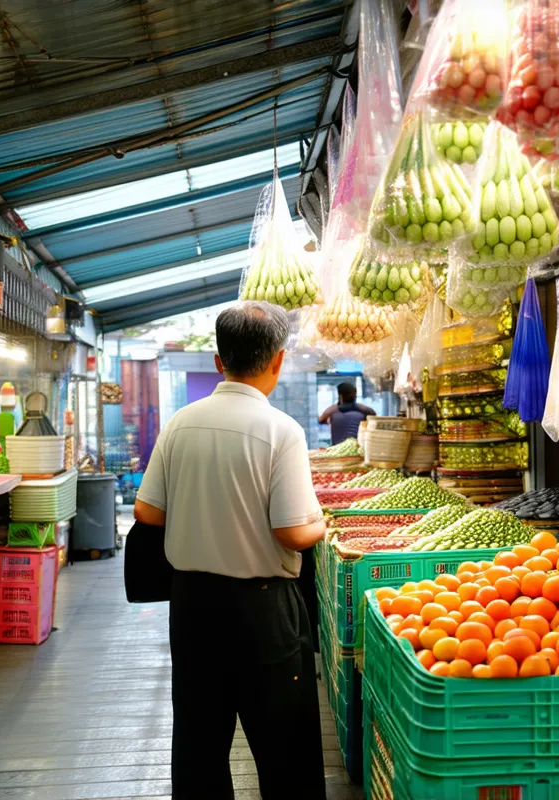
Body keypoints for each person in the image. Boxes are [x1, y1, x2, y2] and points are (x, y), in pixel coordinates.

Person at [134, 301, 327, 800]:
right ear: (278, 360)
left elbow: (147, 511)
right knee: (285, 751)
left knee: (199, 744)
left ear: (218, 360)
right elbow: (291, 532)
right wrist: (321, 525)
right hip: (263, 611)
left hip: (193, 607)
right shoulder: (282, 430)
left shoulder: (180, 423)